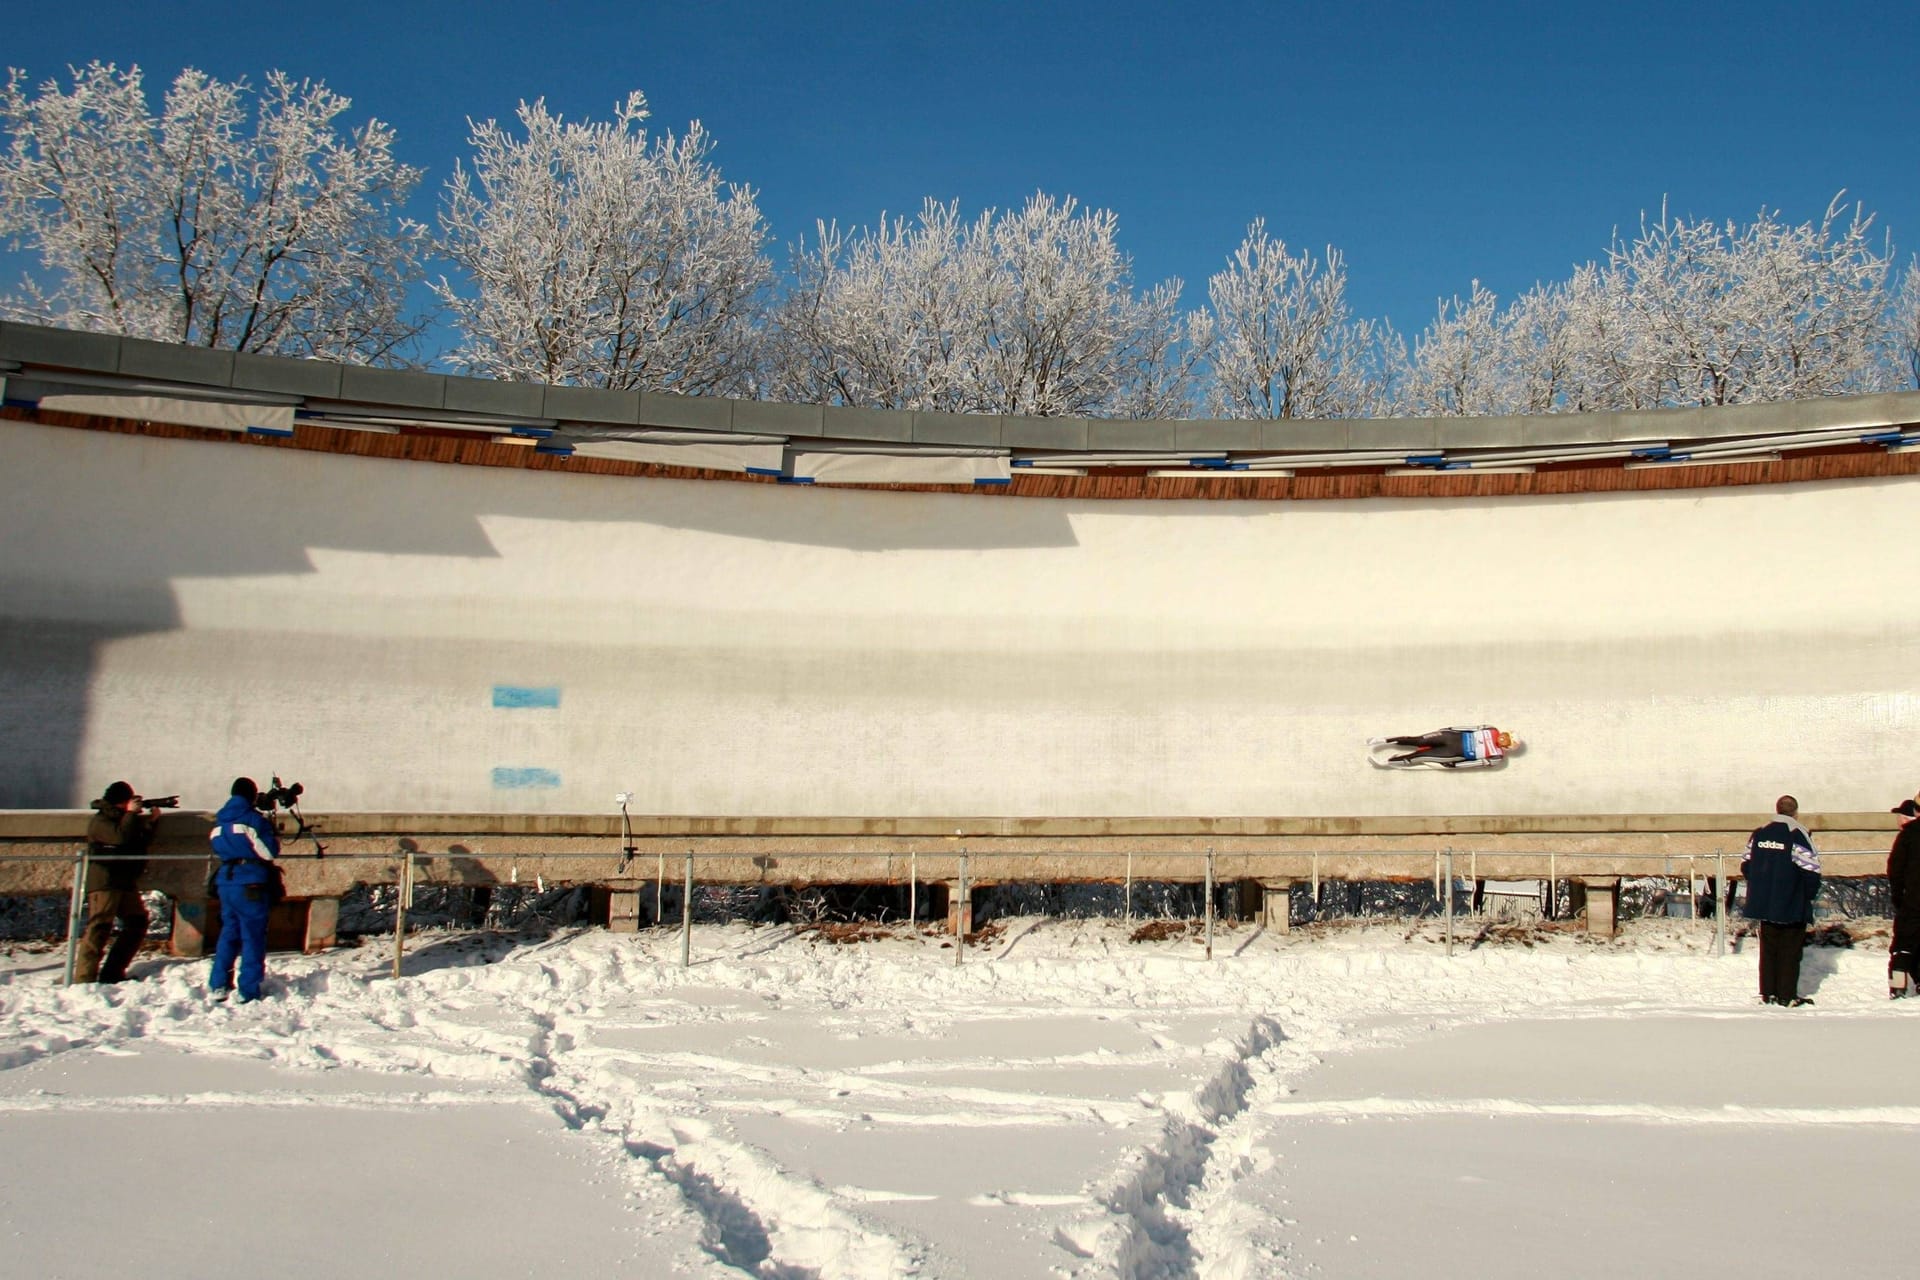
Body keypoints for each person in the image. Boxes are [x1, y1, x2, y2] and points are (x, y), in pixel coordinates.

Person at [75, 780, 160, 984]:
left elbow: (135, 840)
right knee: (99, 928)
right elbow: (120, 837)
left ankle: (112, 972)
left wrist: (151, 822)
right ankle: (84, 978)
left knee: (137, 923)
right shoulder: (101, 821)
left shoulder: (122, 818)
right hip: (105, 881)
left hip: (124, 880)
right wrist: (131, 814)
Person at [1741, 795, 1822, 1007]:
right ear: (1795, 813)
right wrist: (1807, 895)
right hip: (1791, 903)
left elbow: (1746, 865)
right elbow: (1811, 870)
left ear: (1776, 810)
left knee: (1768, 950)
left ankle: (1768, 993)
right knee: (1790, 950)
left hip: (1764, 903)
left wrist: (1761, 887)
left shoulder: (1759, 834)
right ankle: (1787, 995)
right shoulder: (1797, 835)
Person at [207, 777, 281, 1003]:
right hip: (250, 882)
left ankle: (218, 984)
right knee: (252, 936)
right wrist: (271, 831)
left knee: (229, 933)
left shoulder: (219, 823)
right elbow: (268, 852)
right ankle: (247, 990)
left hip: (225, 882)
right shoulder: (252, 820)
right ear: (251, 795)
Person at [1888, 798, 1920, 999]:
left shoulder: (1909, 834)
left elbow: (1895, 870)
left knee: (1903, 946)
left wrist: (1898, 897)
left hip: (1914, 900)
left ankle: (1898, 988)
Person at [1378, 726, 1514, 768]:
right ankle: (1385, 740)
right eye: (1505, 736)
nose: (1503, 739)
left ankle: (1388, 762)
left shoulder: (1497, 756)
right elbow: (1471, 727)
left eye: (1507, 741)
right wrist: (1451, 728)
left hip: (1452, 752)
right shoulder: (1492, 729)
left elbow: (1477, 763)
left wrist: (1456, 765)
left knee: (1419, 756)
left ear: (1508, 746)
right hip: (1450, 736)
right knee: (1418, 740)